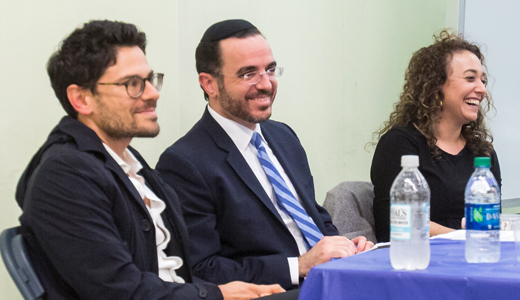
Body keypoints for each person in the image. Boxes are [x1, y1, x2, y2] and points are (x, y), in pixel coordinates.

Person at [15, 20, 285, 300]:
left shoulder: (129, 162)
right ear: (82, 99)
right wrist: (216, 295)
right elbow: (120, 292)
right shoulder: (65, 175)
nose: (153, 93)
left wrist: (220, 291)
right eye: (133, 84)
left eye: (150, 79)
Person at [156, 19, 373, 290]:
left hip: (332, 282)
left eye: (270, 70)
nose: (266, 84)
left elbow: (314, 218)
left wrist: (345, 248)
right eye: (248, 74)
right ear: (209, 83)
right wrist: (300, 265)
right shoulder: (184, 163)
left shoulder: (284, 137)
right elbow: (200, 269)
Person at [370, 30, 501, 242]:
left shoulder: (482, 153)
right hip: (416, 263)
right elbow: (399, 222)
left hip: (475, 260)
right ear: (435, 86)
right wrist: (466, 237)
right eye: (470, 78)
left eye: (483, 81)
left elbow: (491, 220)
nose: (482, 89)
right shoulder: (399, 144)